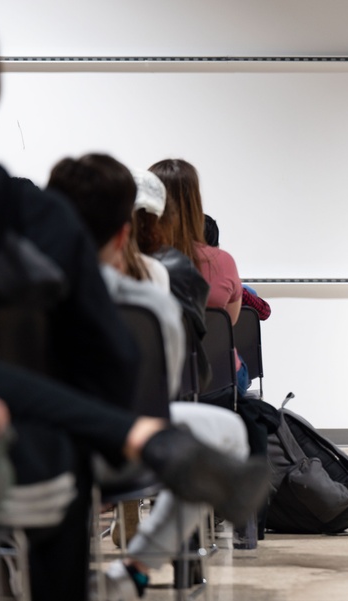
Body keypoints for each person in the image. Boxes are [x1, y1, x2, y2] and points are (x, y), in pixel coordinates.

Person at [0, 0, 268, 600]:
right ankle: (139, 457)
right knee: (63, 441)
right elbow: (113, 365)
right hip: (40, 464)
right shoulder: (42, 220)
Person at [48, 153, 257, 599]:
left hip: (45, 443)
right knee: (225, 432)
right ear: (127, 230)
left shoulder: (29, 288)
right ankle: (140, 564)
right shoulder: (158, 298)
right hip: (132, 444)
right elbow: (170, 384)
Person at [150, 158, 251, 395]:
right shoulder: (223, 261)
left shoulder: (135, 262)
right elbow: (228, 323)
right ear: (195, 203)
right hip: (218, 377)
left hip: (155, 380)